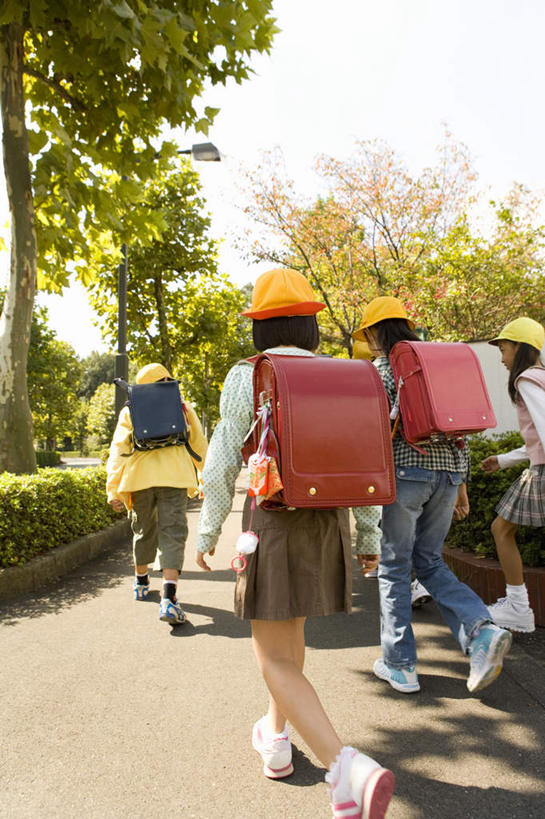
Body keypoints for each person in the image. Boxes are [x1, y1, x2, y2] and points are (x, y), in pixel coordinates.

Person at [195, 269, 395, 818]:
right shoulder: (344, 374)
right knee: (292, 636)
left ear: (260, 327)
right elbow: (363, 460)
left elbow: (218, 464)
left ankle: (345, 768)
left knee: (271, 657)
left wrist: (209, 529)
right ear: (309, 324)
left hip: (272, 522)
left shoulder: (247, 374)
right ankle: (276, 739)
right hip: (328, 521)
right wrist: (369, 537)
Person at [352, 296, 512, 695]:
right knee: (429, 561)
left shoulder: (383, 370)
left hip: (407, 474)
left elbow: (371, 428)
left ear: (375, 331)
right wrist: (460, 484)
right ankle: (480, 629)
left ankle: (400, 664)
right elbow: (461, 429)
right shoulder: (435, 362)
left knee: (393, 567)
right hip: (447, 474)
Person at [106, 363, 207, 624]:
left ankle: (141, 582)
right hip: (175, 477)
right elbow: (198, 443)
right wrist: (205, 478)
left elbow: (118, 449)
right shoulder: (182, 405)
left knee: (143, 529)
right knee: (172, 532)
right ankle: (169, 599)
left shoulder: (131, 408)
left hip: (138, 479)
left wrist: (113, 489)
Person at [480, 317, 545, 633]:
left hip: (542, 471)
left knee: (501, 530)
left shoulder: (527, 380)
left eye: (504, 350)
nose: (502, 359)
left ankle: (519, 607)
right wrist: (504, 460)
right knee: (502, 529)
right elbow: (537, 437)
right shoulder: (542, 376)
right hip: (539, 465)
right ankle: (518, 606)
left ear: (519, 348)